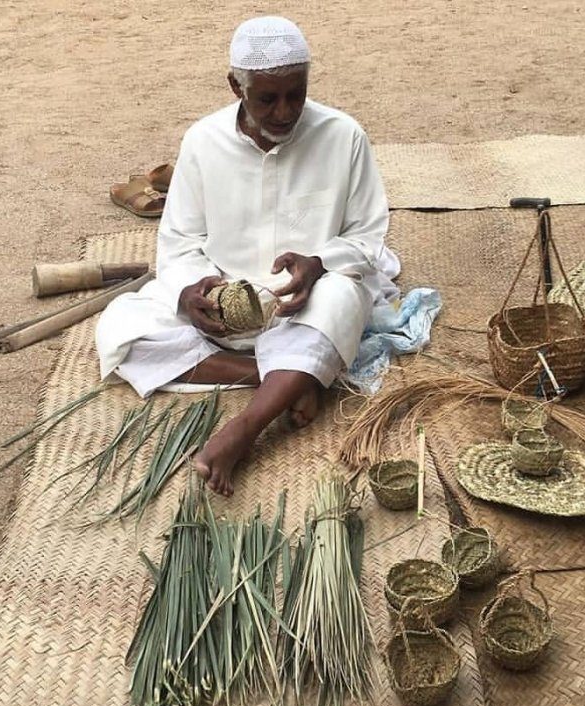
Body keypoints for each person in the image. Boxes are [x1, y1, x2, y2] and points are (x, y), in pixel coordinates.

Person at [96, 16, 400, 496]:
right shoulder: (202, 141)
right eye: (267, 99)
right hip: (229, 307)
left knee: (344, 296)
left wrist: (319, 261)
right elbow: (178, 240)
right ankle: (290, 379)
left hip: (308, 301)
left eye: (295, 95)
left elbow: (367, 236)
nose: (285, 111)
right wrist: (194, 291)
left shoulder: (344, 136)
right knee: (120, 332)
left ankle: (247, 426)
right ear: (236, 86)